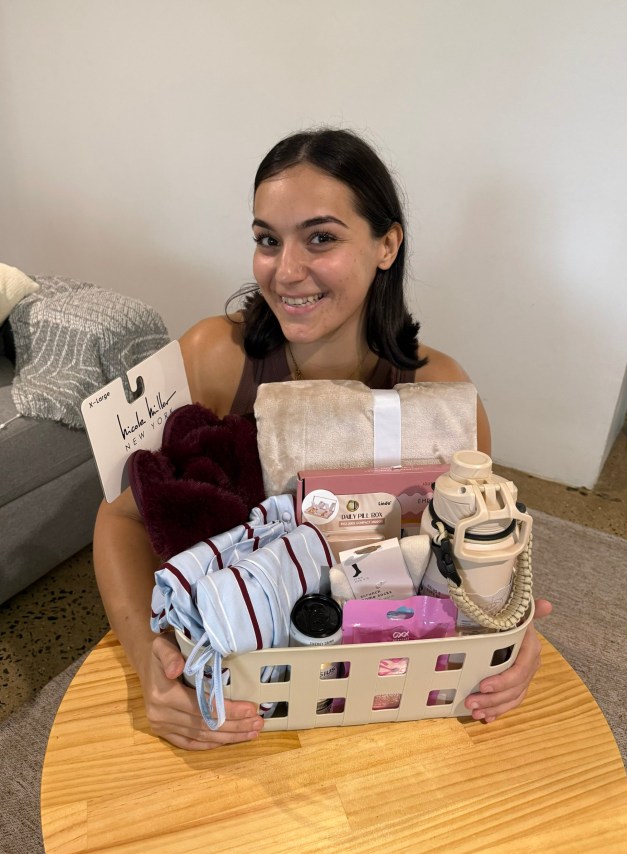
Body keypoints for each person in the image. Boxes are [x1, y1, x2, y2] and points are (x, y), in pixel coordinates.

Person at [94, 127, 552, 750]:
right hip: (243, 685)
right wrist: (149, 661)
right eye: (266, 240)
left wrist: (515, 644)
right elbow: (121, 520)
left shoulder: (442, 396)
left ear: (387, 243)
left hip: (391, 692)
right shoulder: (212, 358)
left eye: (321, 238)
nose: (286, 271)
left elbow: (477, 557)